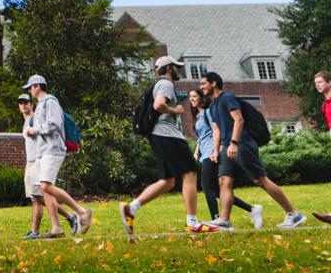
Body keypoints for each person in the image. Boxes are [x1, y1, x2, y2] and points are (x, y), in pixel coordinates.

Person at [119, 57, 216, 234]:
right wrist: (176, 110)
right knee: (190, 172)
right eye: (177, 67)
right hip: (167, 135)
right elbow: (159, 105)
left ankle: (131, 208)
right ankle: (192, 222)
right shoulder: (166, 83)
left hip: (158, 135)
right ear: (169, 68)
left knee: (168, 181)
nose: (179, 70)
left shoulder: (159, 84)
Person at [200, 72, 305, 230]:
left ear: (213, 83)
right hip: (227, 146)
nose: (201, 87)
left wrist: (234, 142)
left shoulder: (227, 98)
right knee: (224, 181)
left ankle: (294, 214)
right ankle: (224, 220)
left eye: (203, 84)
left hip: (242, 143)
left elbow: (239, 119)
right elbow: (216, 129)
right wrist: (215, 150)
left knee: (259, 180)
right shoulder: (213, 105)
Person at [22, 76, 93, 238]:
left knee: (46, 186)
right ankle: (56, 228)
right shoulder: (41, 105)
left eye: (30, 87)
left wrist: (35, 130)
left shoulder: (50, 102)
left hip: (53, 149)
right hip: (44, 151)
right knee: (43, 188)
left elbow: (54, 123)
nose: (29, 90)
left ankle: (82, 212)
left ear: (38, 86)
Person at [189, 89, 262, 227]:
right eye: (190, 97)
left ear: (201, 98)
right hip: (204, 152)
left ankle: (217, 220)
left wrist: (220, 147)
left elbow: (217, 129)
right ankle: (252, 209)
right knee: (217, 190)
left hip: (212, 152)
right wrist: (196, 152)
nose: (191, 99)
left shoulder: (208, 112)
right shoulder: (198, 117)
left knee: (206, 186)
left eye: (194, 96)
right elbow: (201, 137)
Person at [18, 94, 78, 240]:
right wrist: (27, 164)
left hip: (39, 160)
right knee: (39, 198)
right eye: (20, 103)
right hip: (32, 162)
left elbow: (43, 139)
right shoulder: (26, 122)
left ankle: (36, 231)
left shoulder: (35, 120)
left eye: (26, 102)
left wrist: (39, 161)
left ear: (32, 105)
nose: (23, 105)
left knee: (39, 198)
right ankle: (70, 217)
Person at [314, 71, 331, 225]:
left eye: (320, 82)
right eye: (316, 83)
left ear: (329, 82)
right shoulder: (324, 105)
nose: (318, 85)